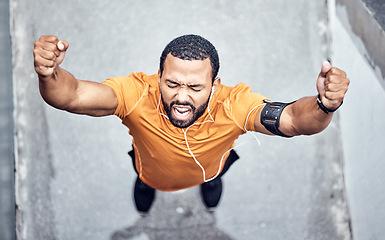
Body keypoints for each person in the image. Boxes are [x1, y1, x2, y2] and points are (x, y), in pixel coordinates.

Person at [33, 34, 350, 215]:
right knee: (145, 183)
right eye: (171, 84)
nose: (181, 97)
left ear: (214, 85)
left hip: (211, 168)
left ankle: (209, 182)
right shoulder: (136, 93)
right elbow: (71, 95)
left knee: (211, 181)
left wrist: (324, 104)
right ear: (159, 77)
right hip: (150, 169)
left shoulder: (234, 103)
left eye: (195, 88)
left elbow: (293, 119)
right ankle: (146, 184)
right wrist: (49, 74)